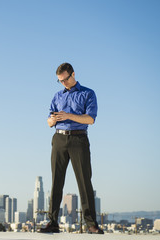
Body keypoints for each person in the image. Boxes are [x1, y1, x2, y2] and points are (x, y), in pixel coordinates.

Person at [39, 62, 103, 234]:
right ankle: (52, 222)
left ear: (73, 74)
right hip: (59, 138)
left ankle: (91, 224)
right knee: (56, 182)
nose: (63, 83)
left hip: (78, 139)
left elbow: (90, 119)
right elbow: (48, 121)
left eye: (65, 79)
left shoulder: (88, 93)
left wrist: (68, 116)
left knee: (84, 181)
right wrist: (53, 120)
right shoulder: (57, 96)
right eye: (60, 81)